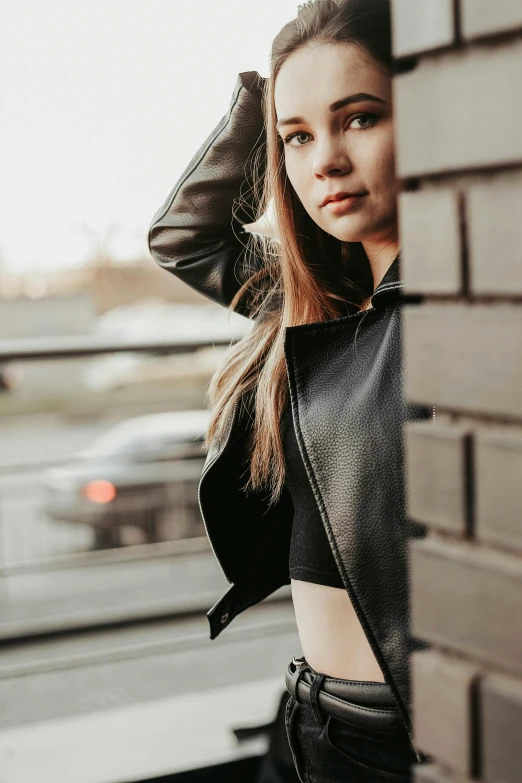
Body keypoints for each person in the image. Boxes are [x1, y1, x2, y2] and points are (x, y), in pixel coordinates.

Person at [148, 0, 436, 779]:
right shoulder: (322, 297)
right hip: (313, 717)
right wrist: (262, 94)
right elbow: (185, 239)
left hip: (410, 740)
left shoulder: (462, 303)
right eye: (299, 137)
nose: (325, 162)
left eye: (361, 118)